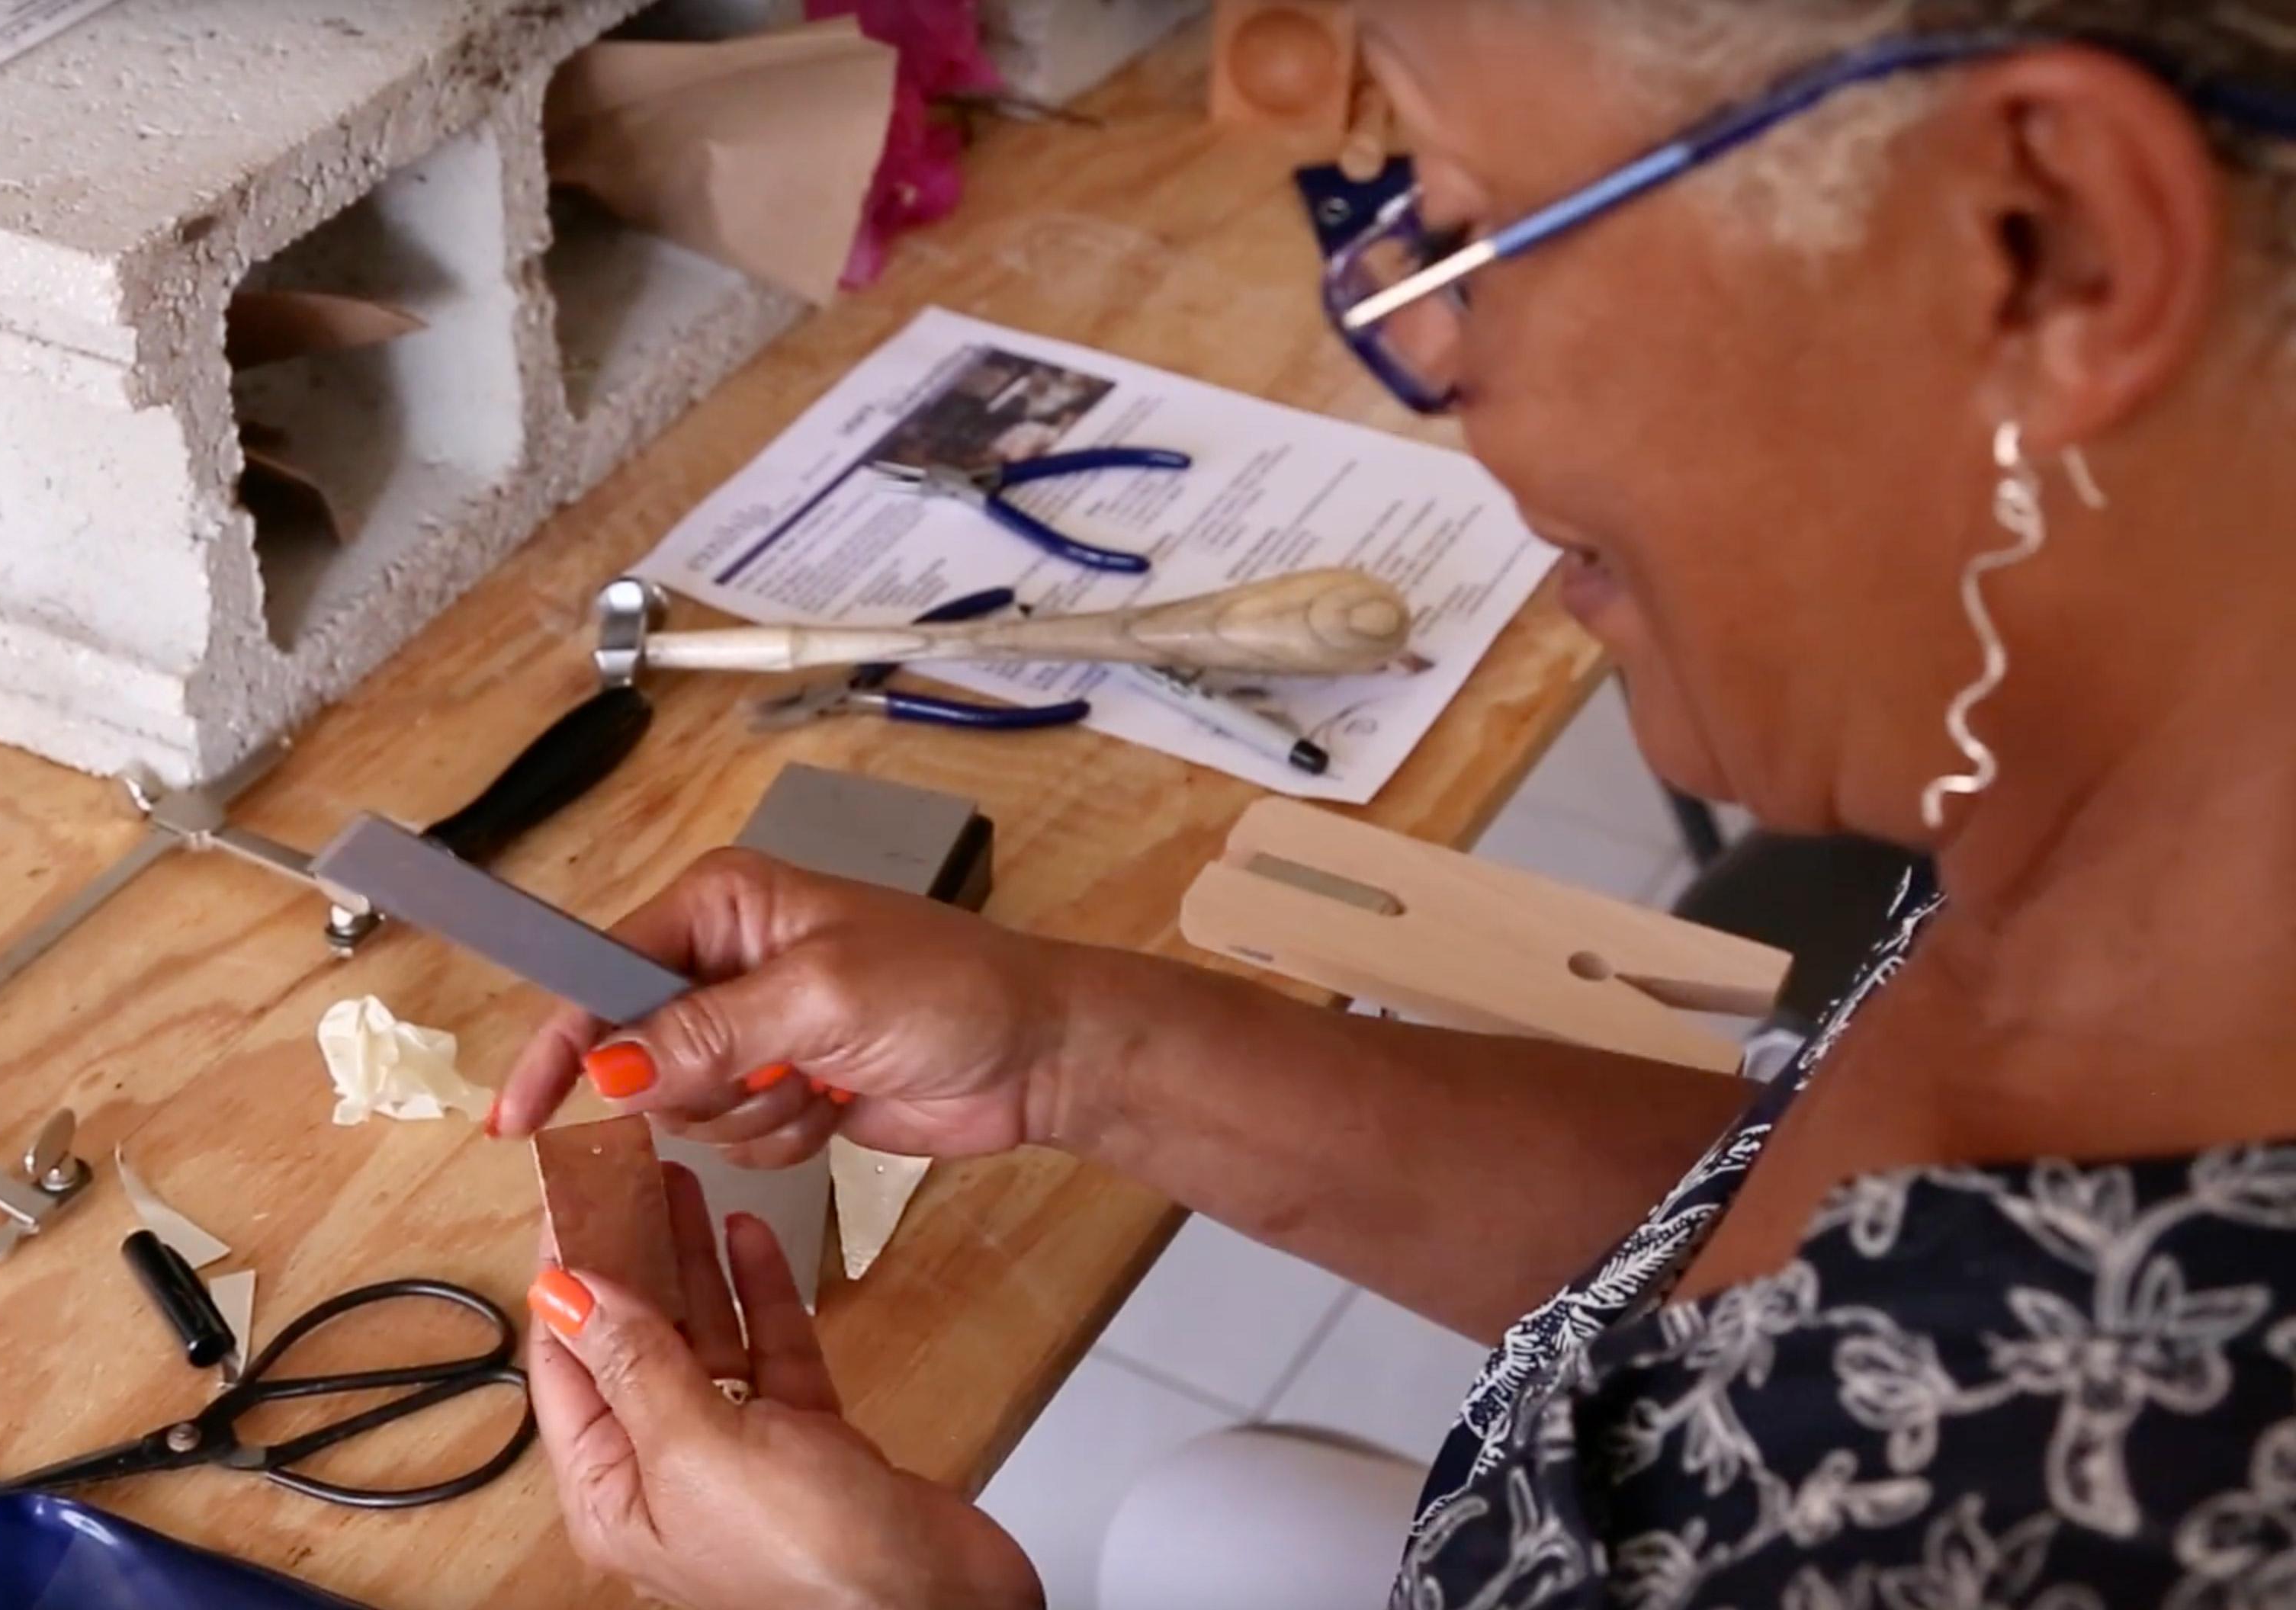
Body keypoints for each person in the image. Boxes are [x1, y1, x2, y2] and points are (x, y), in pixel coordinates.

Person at [493, 2, 2296, 1605]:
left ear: (2043, 245)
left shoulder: (2068, 1508)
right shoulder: (2136, 833)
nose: (1436, 366)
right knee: (1215, 1510)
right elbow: (1796, 1259)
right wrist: (1060, 1044)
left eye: (1471, 230)